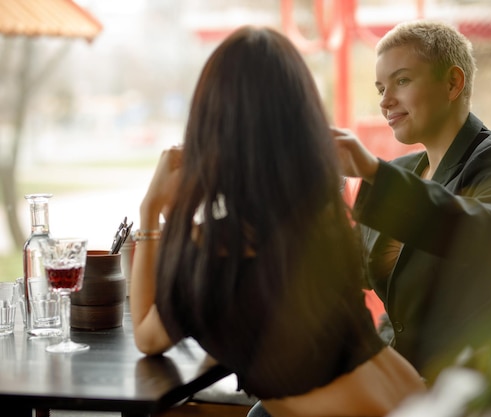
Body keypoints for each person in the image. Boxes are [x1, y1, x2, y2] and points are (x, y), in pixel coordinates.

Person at [129, 25, 426, 417]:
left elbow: (148, 337)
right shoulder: (322, 219)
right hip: (421, 400)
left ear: (211, 125)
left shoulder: (218, 252)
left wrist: (151, 212)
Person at [333, 20, 491, 382]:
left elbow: (489, 235)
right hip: (398, 371)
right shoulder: (409, 171)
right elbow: (351, 268)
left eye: (401, 81)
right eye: (381, 87)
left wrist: (370, 170)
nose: (385, 101)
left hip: (454, 382)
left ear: (452, 83)